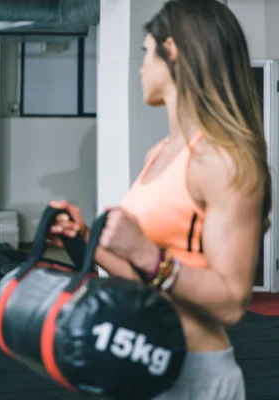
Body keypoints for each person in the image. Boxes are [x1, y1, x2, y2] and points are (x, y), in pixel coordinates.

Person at [48, 1, 271, 399]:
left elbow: (233, 304)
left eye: (146, 52)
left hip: (195, 372)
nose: (140, 66)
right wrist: (85, 240)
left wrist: (152, 257)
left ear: (173, 51)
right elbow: (143, 281)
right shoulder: (161, 152)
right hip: (142, 357)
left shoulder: (222, 160)